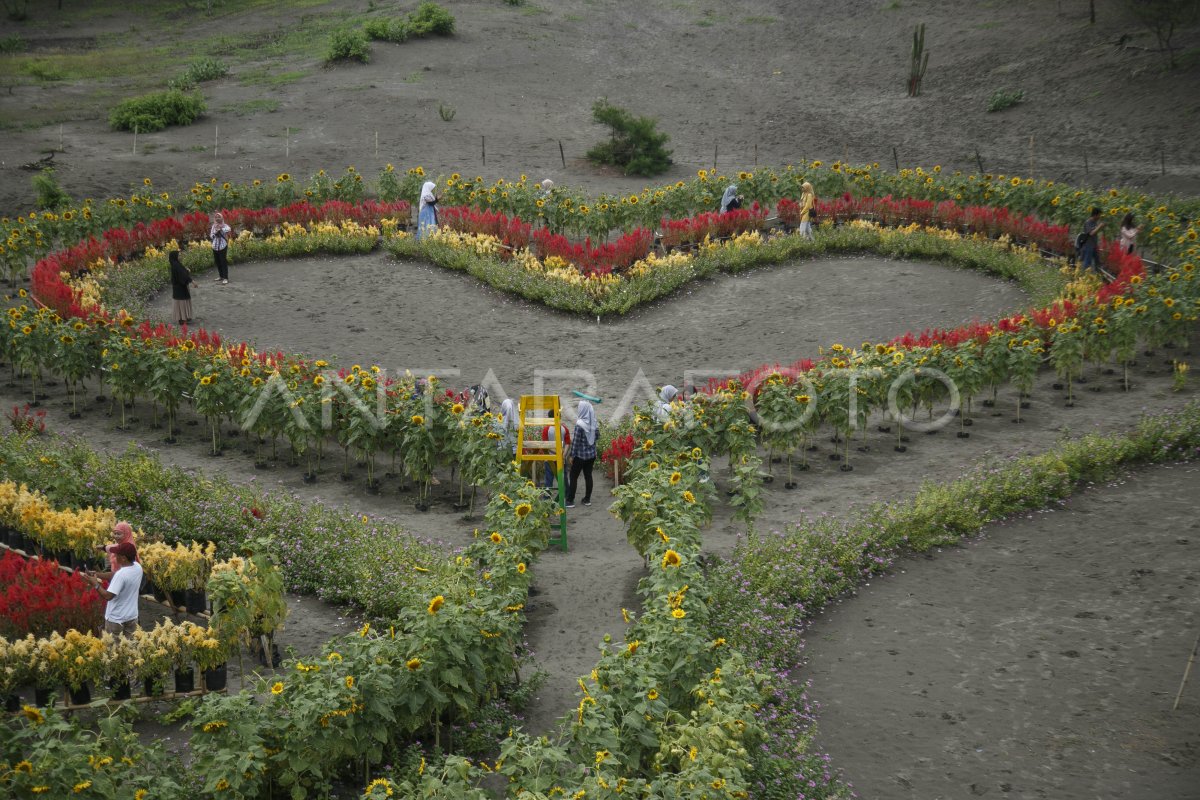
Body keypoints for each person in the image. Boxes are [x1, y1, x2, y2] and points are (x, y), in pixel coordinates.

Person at [86, 541, 142, 638]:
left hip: (116, 620)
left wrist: (95, 583)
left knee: (113, 650)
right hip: (132, 617)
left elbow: (108, 596)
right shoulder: (137, 567)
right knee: (130, 648)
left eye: (117, 555)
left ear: (124, 558)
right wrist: (97, 574)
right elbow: (114, 575)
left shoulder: (121, 575)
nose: (115, 556)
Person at [566, 400, 598, 508]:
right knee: (588, 476)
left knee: (573, 476)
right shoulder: (594, 422)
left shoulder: (579, 425)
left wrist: (571, 455)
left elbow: (575, 442)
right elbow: (597, 437)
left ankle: (570, 501)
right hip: (591, 455)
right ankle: (587, 499)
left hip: (580, 456)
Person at [169, 251, 198, 326]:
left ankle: (184, 317)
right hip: (179, 287)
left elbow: (183, 273)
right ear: (175, 256)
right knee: (182, 302)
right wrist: (192, 281)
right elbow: (183, 275)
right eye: (179, 255)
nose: (180, 256)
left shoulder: (176, 264)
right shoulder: (176, 265)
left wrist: (186, 271)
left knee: (182, 302)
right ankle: (182, 318)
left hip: (179, 287)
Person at [210, 212, 232, 285]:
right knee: (218, 262)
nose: (217, 218)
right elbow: (211, 235)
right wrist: (215, 234)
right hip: (215, 246)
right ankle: (221, 276)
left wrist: (221, 229)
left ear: (222, 218)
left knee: (223, 262)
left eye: (219, 217)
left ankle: (225, 278)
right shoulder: (213, 226)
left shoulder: (225, 225)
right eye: (216, 217)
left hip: (223, 246)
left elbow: (228, 229)